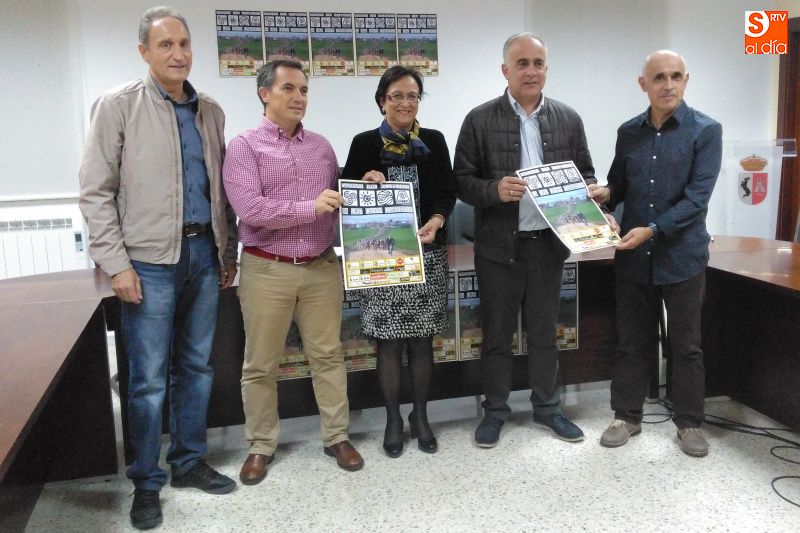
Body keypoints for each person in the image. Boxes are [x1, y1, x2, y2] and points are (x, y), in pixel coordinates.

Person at [78, 6, 238, 530]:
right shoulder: (118, 106)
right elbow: (96, 192)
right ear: (144, 52)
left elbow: (220, 192)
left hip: (203, 256)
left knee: (196, 369)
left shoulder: (210, 111)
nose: (178, 54)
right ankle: (146, 481)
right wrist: (116, 265)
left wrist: (227, 252)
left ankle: (188, 462)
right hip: (147, 263)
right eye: (165, 44)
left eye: (184, 43)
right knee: (146, 381)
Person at [223, 60, 364, 484]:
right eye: (288, 88)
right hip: (268, 269)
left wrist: (363, 186)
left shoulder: (321, 146)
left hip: (321, 267)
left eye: (304, 90)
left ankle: (336, 436)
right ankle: (261, 445)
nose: (299, 97)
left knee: (328, 356)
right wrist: (310, 207)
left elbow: (335, 199)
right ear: (264, 93)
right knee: (261, 364)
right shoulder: (244, 147)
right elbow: (250, 210)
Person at [454, 32, 594, 447]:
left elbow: (586, 173)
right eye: (522, 64)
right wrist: (494, 190)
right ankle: (495, 412)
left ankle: (548, 410)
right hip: (498, 248)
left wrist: (589, 192)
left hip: (548, 246)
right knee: (497, 337)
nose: (531, 71)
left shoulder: (568, 118)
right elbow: (461, 181)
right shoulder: (479, 119)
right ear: (505, 70)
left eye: (538, 63)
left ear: (546, 69)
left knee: (544, 335)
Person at [588, 50, 722, 457]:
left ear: (687, 80)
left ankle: (689, 423)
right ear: (643, 83)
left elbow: (697, 199)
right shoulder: (629, 131)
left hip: (683, 257)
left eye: (676, 76)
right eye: (660, 77)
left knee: (686, 345)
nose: (669, 84)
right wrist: (604, 194)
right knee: (631, 341)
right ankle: (626, 417)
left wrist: (653, 230)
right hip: (634, 257)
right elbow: (619, 184)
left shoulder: (706, 131)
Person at [341, 65, 456, 457]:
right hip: (381, 258)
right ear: (382, 101)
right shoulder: (363, 144)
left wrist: (436, 220)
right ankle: (392, 419)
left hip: (427, 256)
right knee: (388, 344)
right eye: (396, 96)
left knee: (422, 342)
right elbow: (346, 198)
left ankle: (420, 416)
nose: (405, 103)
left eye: (412, 96)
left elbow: (446, 192)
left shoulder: (434, 141)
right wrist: (364, 185)